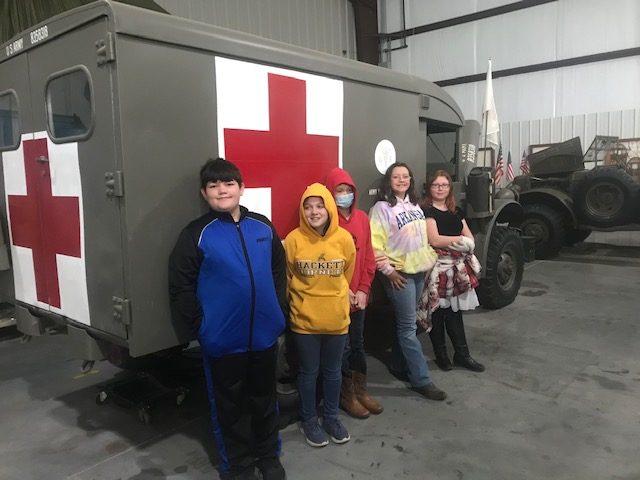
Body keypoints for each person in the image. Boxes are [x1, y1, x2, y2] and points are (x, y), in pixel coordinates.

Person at [168, 158, 287, 480]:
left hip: (264, 336)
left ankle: (268, 457)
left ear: (241, 188)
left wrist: (278, 311)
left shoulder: (262, 227)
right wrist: (203, 327)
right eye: (213, 185)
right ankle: (238, 466)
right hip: (223, 341)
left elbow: (279, 271)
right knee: (229, 408)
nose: (222, 190)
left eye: (228, 183)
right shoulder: (196, 234)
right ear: (204, 193)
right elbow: (180, 286)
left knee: (265, 400)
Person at [284, 183, 355, 447]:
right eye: (308, 207)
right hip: (304, 322)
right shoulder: (293, 240)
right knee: (308, 373)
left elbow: (347, 274)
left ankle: (331, 418)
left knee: (333, 372)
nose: (314, 212)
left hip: (336, 320)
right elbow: (288, 278)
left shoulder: (344, 239)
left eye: (319, 206)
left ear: (329, 209)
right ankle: (309, 420)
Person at [369, 162, 447, 401]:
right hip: (399, 274)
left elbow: (421, 239)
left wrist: (429, 260)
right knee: (408, 327)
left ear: (411, 180)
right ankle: (421, 380)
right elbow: (375, 244)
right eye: (396, 177)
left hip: (418, 272)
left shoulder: (415, 205)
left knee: (409, 321)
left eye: (405, 176)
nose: (401, 180)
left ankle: (398, 363)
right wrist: (388, 272)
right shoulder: (382, 208)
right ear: (389, 181)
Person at [325, 167, 383, 419]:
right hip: (338, 298)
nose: (344, 195)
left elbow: (368, 256)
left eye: (348, 190)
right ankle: (346, 395)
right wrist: (345, 291)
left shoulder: (361, 218)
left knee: (358, 344)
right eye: (339, 190)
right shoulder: (327, 222)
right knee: (343, 348)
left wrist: (363, 289)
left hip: (359, 298)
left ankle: (361, 391)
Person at [418, 170, 485, 373]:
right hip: (438, 268)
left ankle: (462, 355)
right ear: (429, 188)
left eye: (444, 185)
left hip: (457, 269)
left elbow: (471, 238)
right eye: (436, 185)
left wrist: (462, 241)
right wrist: (460, 241)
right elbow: (435, 240)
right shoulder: (427, 211)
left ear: (450, 188)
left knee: (455, 312)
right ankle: (441, 356)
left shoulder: (456, 211)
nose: (440, 189)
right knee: (438, 312)